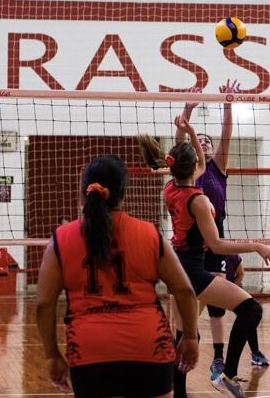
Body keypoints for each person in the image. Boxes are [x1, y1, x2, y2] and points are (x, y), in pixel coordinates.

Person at [36, 155, 201, 398]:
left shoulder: (61, 239)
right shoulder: (149, 234)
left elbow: (44, 304)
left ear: (83, 194)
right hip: (150, 345)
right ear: (123, 194)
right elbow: (185, 290)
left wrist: (52, 355)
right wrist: (190, 337)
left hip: (90, 349)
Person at [138, 116, 270, 398]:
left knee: (182, 336)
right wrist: (256, 246)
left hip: (177, 266)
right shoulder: (199, 200)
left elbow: (200, 162)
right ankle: (226, 376)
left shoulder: (171, 186)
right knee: (251, 310)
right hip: (192, 270)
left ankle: (178, 394)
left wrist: (190, 131)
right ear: (194, 167)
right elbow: (216, 245)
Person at [175, 82, 268, 374]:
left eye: (208, 141)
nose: (203, 143)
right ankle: (184, 347)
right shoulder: (186, 175)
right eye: (199, 140)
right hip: (191, 244)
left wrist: (228, 104)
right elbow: (179, 142)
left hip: (214, 240)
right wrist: (187, 110)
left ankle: (218, 357)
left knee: (215, 303)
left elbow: (226, 136)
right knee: (190, 313)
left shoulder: (217, 168)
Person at [221, 253, 266, 368]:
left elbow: (240, 274)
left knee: (250, 314)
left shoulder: (232, 255)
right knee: (210, 314)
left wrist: (230, 290)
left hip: (233, 286)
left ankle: (255, 352)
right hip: (211, 287)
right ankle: (218, 357)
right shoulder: (206, 254)